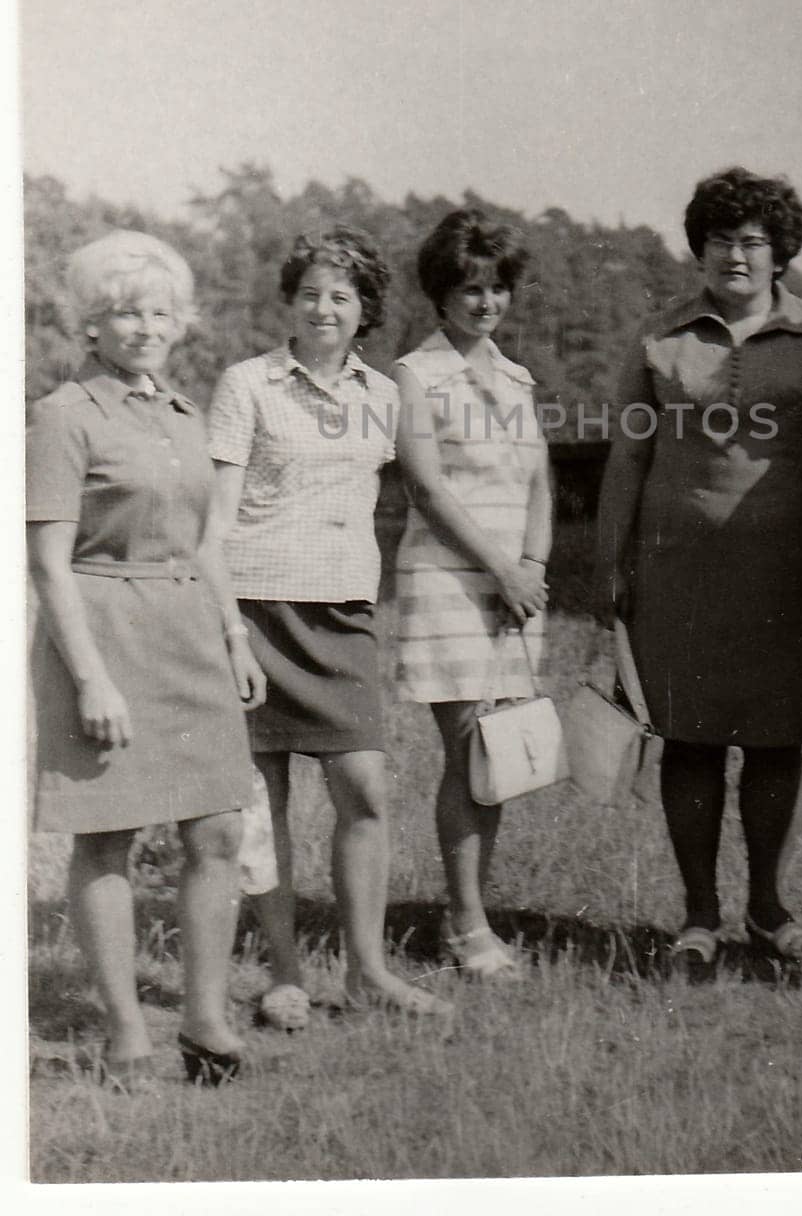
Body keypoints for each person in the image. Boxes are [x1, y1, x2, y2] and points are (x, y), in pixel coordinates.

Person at [594, 168, 802, 971]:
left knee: (778, 747)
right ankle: (700, 917)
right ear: (699, 249)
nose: (735, 256)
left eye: (752, 241)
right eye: (720, 240)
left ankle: (770, 911)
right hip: (679, 577)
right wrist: (610, 567)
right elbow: (626, 459)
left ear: (780, 253)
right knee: (692, 742)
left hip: (789, 582)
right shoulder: (660, 337)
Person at [27, 232, 264, 1089]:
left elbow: (208, 544)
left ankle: (205, 1021)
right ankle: (127, 1030)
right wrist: (89, 675)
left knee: (219, 829)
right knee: (108, 837)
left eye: (159, 311)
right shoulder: (63, 415)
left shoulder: (184, 415)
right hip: (105, 631)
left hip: (192, 633)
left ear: (181, 324)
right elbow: (48, 562)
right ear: (91, 324)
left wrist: (235, 637)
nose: (144, 326)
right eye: (126, 311)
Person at [208, 228, 449, 1024]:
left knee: (365, 789)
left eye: (341, 296)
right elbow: (213, 525)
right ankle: (284, 974)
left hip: (344, 613)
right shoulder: (246, 385)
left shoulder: (384, 397)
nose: (323, 308)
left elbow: (435, 495)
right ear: (291, 300)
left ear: (365, 311)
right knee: (260, 806)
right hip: (252, 610)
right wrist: (230, 634)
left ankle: (368, 973)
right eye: (310, 292)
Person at [394, 208, 551, 978]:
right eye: (469, 288)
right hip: (451, 586)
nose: (485, 302)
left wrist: (535, 570)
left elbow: (540, 481)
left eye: (496, 288)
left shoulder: (518, 378)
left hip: (513, 591)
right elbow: (426, 489)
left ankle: (474, 915)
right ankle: (465, 928)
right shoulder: (415, 376)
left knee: (500, 758)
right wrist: (500, 569)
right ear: (441, 292)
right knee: (467, 755)